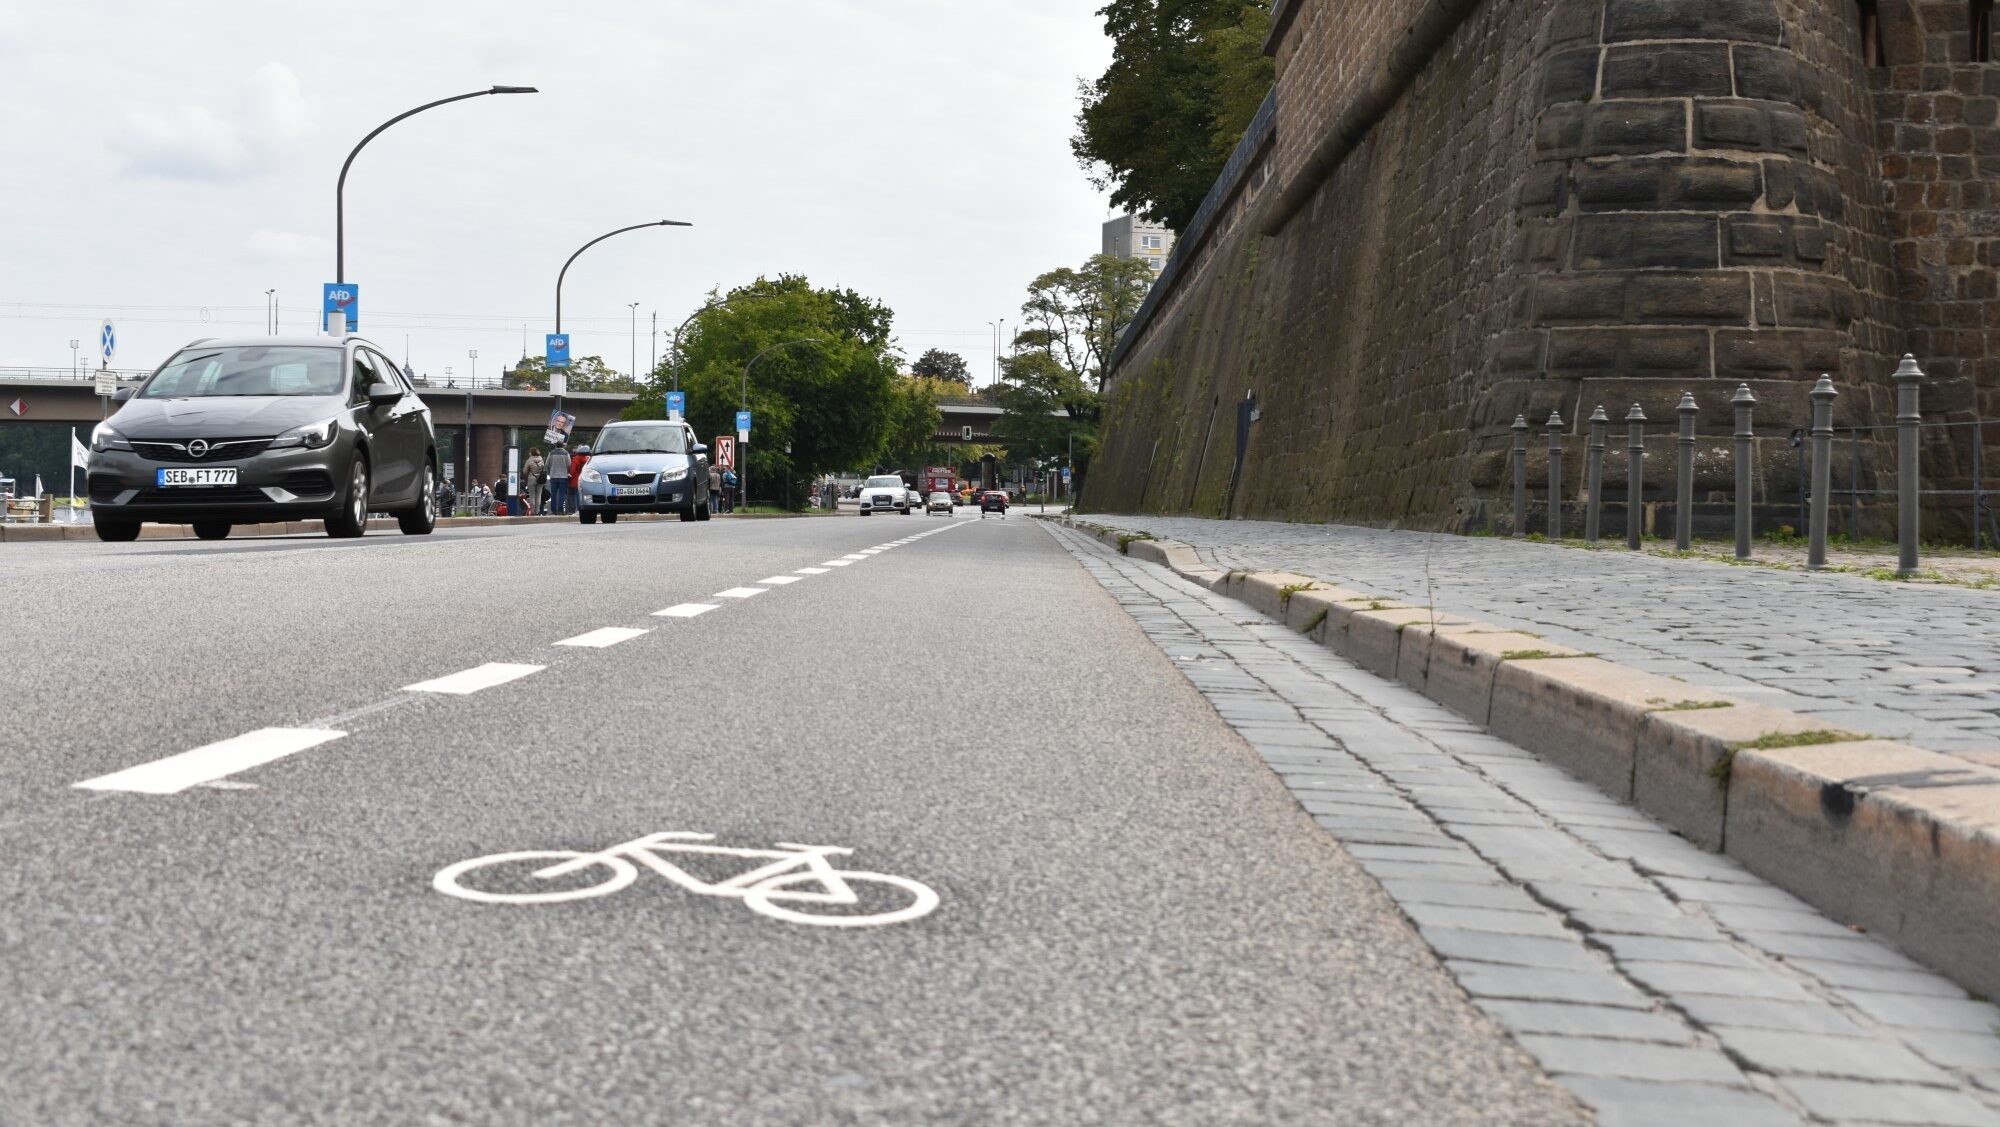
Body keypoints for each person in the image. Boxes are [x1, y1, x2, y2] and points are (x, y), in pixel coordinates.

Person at [547, 439, 571, 516]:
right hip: (563, 476)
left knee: (553, 494)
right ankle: (560, 510)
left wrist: (549, 472)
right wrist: (567, 472)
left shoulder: (551, 453)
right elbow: (569, 464)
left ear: (555, 445)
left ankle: (553, 510)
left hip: (553, 476)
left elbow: (547, 464)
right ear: (563, 445)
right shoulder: (566, 453)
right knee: (562, 494)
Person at [522, 448, 546, 516]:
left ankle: (532, 511)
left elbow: (525, 471)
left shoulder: (529, 460)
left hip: (532, 478)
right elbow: (543, 468)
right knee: (538, 496)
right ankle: (537, 511)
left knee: (532, 496)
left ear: (531, 453)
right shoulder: (541, 459)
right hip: (540, 479)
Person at [569, 445, 590, 514]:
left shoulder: (576, 459)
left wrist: (569, 475)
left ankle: (573, 509)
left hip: (575, 480)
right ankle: (580, 508)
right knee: (580, 495)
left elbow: (572, 471)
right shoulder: (587, 459)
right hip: (583, 479)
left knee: (573, 495)